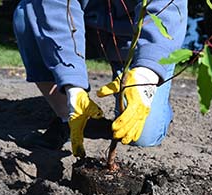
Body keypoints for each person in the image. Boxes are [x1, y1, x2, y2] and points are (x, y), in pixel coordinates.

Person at [13, 0, 188, 158]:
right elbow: (55, 7)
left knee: (143, 136)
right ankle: (67, 117)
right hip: (81, 30)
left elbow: (168, 9)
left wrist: (146, 76)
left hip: (138, 41)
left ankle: (159, 102)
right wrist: (73, 87)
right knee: (27, 13)